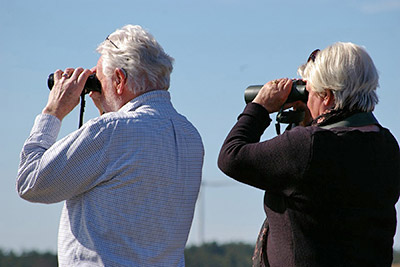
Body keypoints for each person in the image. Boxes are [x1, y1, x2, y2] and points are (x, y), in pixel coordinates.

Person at [17, 25, 204, 266]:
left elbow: (30, 182)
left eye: (99, 80)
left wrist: (53, 112)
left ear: (119, 79)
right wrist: (107, 108)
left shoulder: (111, 131)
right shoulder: (190, 135)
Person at [218, 42, 400, 266]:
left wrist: (259, 108)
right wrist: (308, 123)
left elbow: (231, 156)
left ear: (327, 96)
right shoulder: (387, 145)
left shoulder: (309, 147)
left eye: (309, 91)